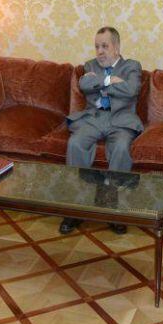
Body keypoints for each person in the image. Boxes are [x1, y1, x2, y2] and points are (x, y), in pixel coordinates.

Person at [59, 27, 144, 235]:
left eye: (105, 46)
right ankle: (75, 209)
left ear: (116, 47)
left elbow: (131, 89)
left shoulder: (131, 66)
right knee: (75, 143)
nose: (100, 51)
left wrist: (99, 84)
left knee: (122, 148)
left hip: (121, 121)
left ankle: (112, 210)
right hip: (94, 118)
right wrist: (109, 80)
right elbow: (84, 83)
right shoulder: (89, 65)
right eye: (97, 46)